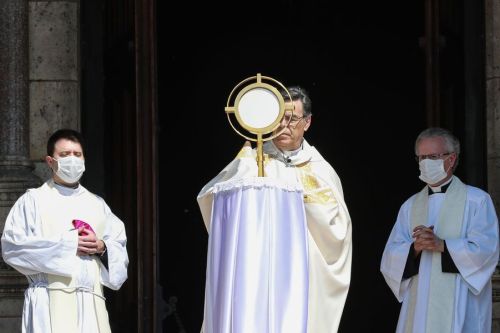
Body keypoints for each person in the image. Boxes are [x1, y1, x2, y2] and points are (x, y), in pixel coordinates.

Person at [198, 86, 352, 333]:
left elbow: (337, 230)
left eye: (292, 118)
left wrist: (300, 201)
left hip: (300, 274)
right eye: (278, 117)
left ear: (308, 122)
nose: (284, 125)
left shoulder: (320, 170)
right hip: (256, 271)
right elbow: (213, 201)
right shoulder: (251, 163)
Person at [1, 129, 129, 333]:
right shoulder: (33, 201)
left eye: (77, 155)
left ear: (84, 160)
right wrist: (69, 245)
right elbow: (12, 249)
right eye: (65, 154)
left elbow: (119, 254)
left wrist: (102, 247)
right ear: (50, 161)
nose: (72, 160)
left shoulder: (98, 205)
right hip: (48, 302)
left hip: (91, 303)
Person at [380, 127, 499, 333]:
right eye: (421, 157)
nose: (425, 163)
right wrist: (414, 248)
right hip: (420, 307)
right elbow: (390, 257)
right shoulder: (410, 207)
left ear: (451, 159)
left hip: (462, 303)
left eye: (432, 156)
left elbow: (486, 251)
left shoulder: (477, 201)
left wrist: (442, 245)